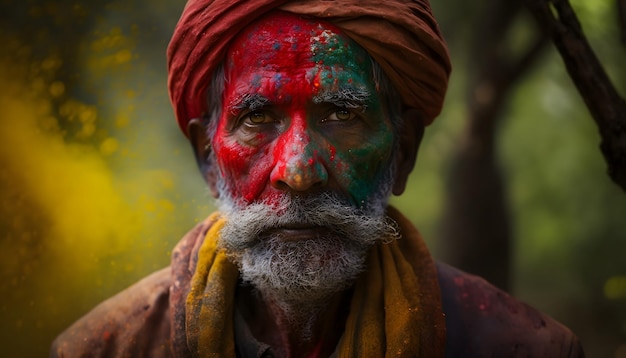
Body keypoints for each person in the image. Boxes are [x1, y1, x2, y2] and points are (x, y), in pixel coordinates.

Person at [52, 0, 585, 357]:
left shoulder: (519, 347)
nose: (300, 171)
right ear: (208, 159)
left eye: (342, 114)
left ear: (402, 151)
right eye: (258, 118)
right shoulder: (104, 348)